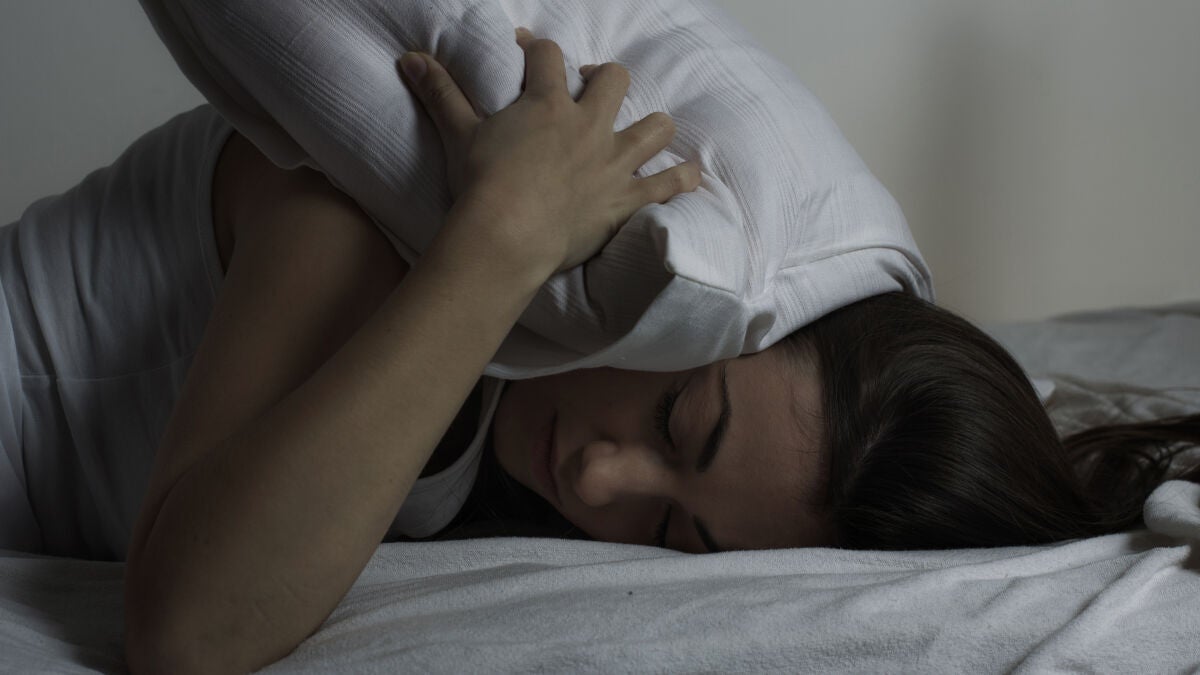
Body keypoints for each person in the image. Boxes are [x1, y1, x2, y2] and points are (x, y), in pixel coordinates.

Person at [1, 27, 1195, 673]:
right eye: (679, 423)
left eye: (677, 532)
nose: (597, 480)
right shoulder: (374, 220)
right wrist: (499, 243)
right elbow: (189, 637)